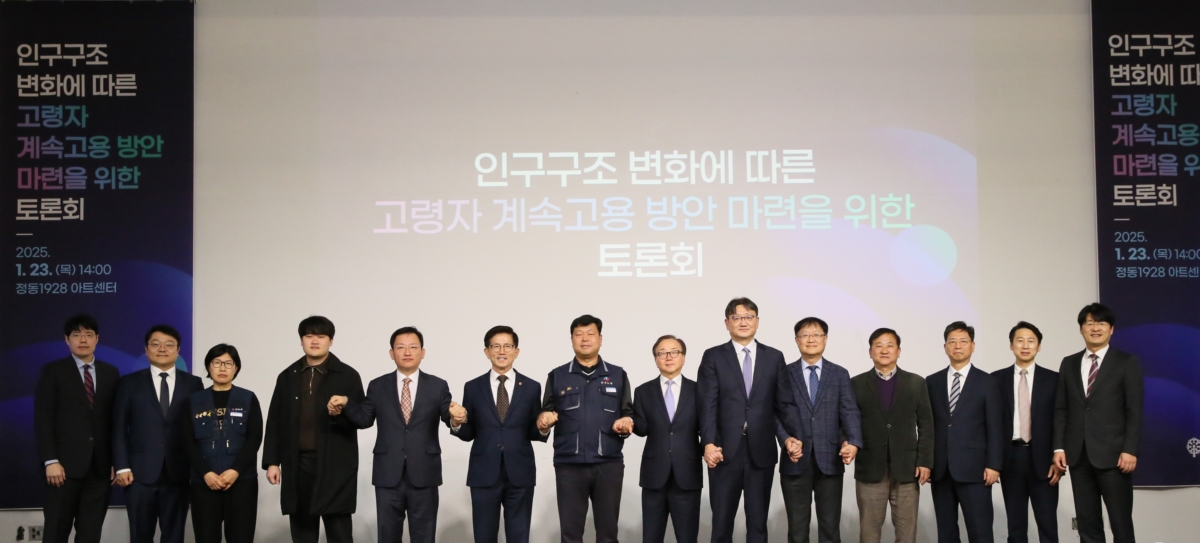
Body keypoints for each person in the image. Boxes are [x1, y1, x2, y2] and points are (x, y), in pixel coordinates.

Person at [329, 327, 453, 543]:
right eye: (401, 347)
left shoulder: (437, 385)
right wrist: (348, 404)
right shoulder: (378, 386)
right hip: (388, 474)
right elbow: (365, 419)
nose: (407, 352)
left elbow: (447, 416)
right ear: (391, 353)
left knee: (424, 537)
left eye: (413, 347)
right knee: (387, 536)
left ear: (423, 352)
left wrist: (457, 418)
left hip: (424, 472)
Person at [696, 298, 804, 543]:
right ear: (727, 323)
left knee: (758, 525)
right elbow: (707, 405)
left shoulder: (773, 357)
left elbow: (784, 403)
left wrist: (795, 437)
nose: (743, 322)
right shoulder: (713, 356)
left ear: (757, 321)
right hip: (724, 452)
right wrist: (709, 443)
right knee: (721, 524)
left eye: (748, 317)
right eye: (736, 317)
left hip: (761, 452)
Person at [263, 316, 365, 543]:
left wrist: (342, 410)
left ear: (331, 341)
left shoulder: (348, 375)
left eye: (321, 336)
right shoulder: (287, 376)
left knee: (339, 534)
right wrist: (272, 462)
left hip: (336, 466)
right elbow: (275, 421)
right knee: (303, 532)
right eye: (309, 336)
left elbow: (362, 419)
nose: (315, 341)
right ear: (301, 341)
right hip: (298, 465)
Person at [537, 314, 634, 543]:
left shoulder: (617, 375)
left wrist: (626, 423)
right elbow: (545, 412)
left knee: (608, 534)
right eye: (579, 334)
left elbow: (627, 412)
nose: (585, 339)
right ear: (571, 339)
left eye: (590, 334)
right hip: (569, 465)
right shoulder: (558, 376)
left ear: (600, 338)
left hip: (608, 464)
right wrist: (544, 420)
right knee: (570, 534)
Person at [1053, 303, 1144, 543]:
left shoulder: (1126, 362)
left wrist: (1130, 449)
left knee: (1120, 523)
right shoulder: (1069, 363)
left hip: (1114, 456)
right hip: (1078, 455)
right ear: (1081, 329)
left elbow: (1134, 411)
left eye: (1101, 323)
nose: (1095, 328)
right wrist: (1059, 447)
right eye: (1090, 323)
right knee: (1087, 524)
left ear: (1111, 329)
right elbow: (1061, 408)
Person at [448, 326, 547, 543]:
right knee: (484, 536)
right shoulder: (473, 387)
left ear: (516, 351)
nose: (502, 351)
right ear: (487, 351)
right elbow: (469, 432)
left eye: (507, 346)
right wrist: (456, 423)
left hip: (520, 472)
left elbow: (533, 430)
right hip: (483, 472)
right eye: (496, 346)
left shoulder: (531, 387)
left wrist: (543, 427)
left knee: (519, 536)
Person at [111, 325, 204, 543]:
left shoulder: (193, 384)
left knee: (174, 537)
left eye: (169, 344)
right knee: (140, 536)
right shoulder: (129, 383)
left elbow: (199, 428)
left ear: (178, 350)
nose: (162, 349)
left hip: (179, 473)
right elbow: (118, 427)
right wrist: (122, 466)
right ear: (146, 349)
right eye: (156, 344)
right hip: (138, 475)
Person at [34, 314, 120, 543]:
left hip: (100, 470)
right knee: (56, 531)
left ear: (97, 339)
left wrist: (116, 460)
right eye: (77, 335)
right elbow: (44, 419)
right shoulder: (53, 371)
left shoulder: (110, 373)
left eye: (89, 334)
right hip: (63, 468)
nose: (83, 340)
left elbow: (115, 420)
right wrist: (51, 460)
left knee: (90, 534)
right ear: (67, 339)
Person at [776, 317, 862, 543]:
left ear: (826, 339)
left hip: (830, 459)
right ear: (796, 340)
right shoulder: (784, 374)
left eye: (816, 334)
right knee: (797, 531)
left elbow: (849, 411)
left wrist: (852, 441)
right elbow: (775, 413)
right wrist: (785, 440)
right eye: (805, 335)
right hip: (795, 458)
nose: (811, 339)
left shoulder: (839, 374)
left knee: (830, 529)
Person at [850, 328, 933, 543]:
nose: (884, 350)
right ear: (870, 351)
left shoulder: (916, 382)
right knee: (869, 533)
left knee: (907, 534)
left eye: (890, 345)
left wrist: (924, 461)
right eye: (878, 346)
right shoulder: (856, 384)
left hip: (907, 469)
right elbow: (849, 422)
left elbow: (926, 425)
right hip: (870, 467)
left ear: (899, 351)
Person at [927, 322, 1004, 543]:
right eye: (952, 341)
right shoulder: (932, 381)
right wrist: (927, 462)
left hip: (976, 469)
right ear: (945, 347)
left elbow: (996, 427)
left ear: (973, 346)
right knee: (946, 533)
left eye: (963, 341)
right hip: (941, 469)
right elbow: (927, 425)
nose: (957, 346)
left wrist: (994, 465)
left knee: (980, 531)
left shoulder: (988, 382)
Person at [183, 344, 263, 543]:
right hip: (204, 482)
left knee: (241, 538)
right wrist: (206, 473)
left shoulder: (248, 398)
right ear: (208, 367)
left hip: (241, 481)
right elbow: (187, 441)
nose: (222, 368)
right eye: (217, 363)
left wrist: (235, 470)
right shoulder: (194, 400)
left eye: (228, 363)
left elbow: (254, 438)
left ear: (236, 368)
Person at [992, 322, 1061, 543]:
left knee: (1048, 524)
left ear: (1039, 346)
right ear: (1011, 345)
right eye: (1020, 340)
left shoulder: (1053, 380)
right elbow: (991, 423)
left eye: (1031, 341)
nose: (1025, 345)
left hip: (1044, 460)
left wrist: (1057, 455)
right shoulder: (996, 380)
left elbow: (1060, 420)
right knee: (1016, 526)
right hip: (1011, 458)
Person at [631, 335, 703, 543]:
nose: (668, 357)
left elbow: (707, 427)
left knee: (687, 537)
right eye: (662, 353)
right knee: (651, 537)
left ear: (683, 357)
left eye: (674, 352)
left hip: (687, 473)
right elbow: (642, 428)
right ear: (655, 359)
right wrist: (628, 422)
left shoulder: (699, 390)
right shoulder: (643, 391)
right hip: (654, 474)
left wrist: (708, 448)